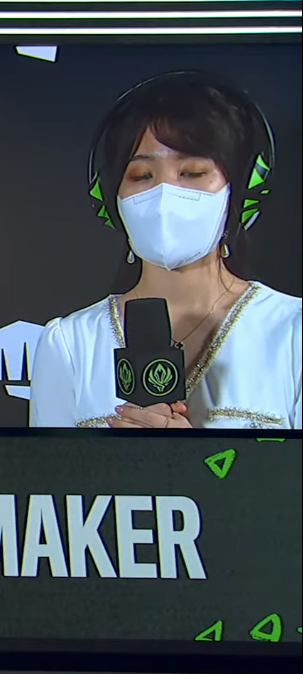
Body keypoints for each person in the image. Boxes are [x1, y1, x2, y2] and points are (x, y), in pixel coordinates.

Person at [30, 71, 302, 430]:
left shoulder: (292, 332)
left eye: (192, 172)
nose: (164, 195)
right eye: (141, 176)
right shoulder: (69, 344)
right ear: (111, 199)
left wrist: (187, 459)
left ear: (240, 192)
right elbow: (51, 468)